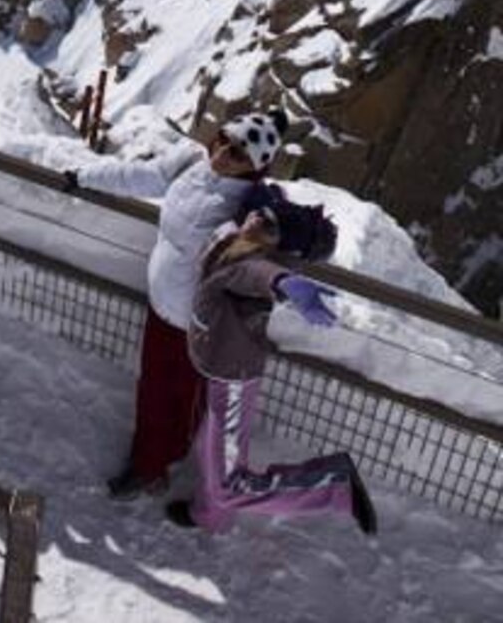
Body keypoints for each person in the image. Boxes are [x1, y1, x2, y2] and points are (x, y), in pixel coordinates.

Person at [67, 107, 289, 496]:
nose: (222, 153)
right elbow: (142, 176)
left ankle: (161, 465)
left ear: (254, 167)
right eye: (222, 138)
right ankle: (148, 461)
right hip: (161, 306)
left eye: (237, 153)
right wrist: (84, 176)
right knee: (151, 388)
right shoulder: (190, 161)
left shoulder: (248, 207)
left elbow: (257, 253)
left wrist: (263, 231)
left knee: (183, 400)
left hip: (197, 326)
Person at [167, 200, 377, 534]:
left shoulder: (250, 265)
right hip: (222, 371)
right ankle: (211, 515)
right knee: (214, 448)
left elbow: (257, 274)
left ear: (279, 247)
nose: (255, 218)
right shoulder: (238, 244)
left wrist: (285, 282)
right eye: (260, 212)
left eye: (268, 224)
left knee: (229, 483)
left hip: (233, 379)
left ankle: (334, 485)